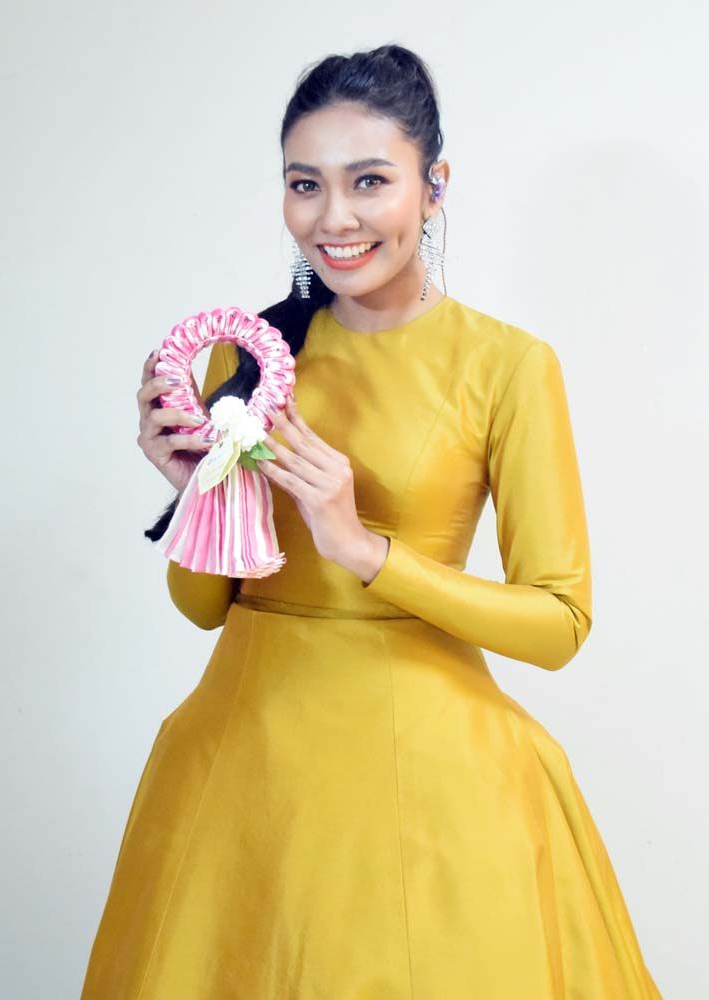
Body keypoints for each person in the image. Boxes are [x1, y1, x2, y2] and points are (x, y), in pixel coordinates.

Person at [81, 44, 663, 999]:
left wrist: (364, 550)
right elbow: (204, 607)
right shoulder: (249, 355)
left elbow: (560, 623)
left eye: (370, 181)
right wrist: (199, 492)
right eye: (305, 184)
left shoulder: (509, 366)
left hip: (429, 783)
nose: (334, 218)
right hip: (243, 774)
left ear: (434, 188)